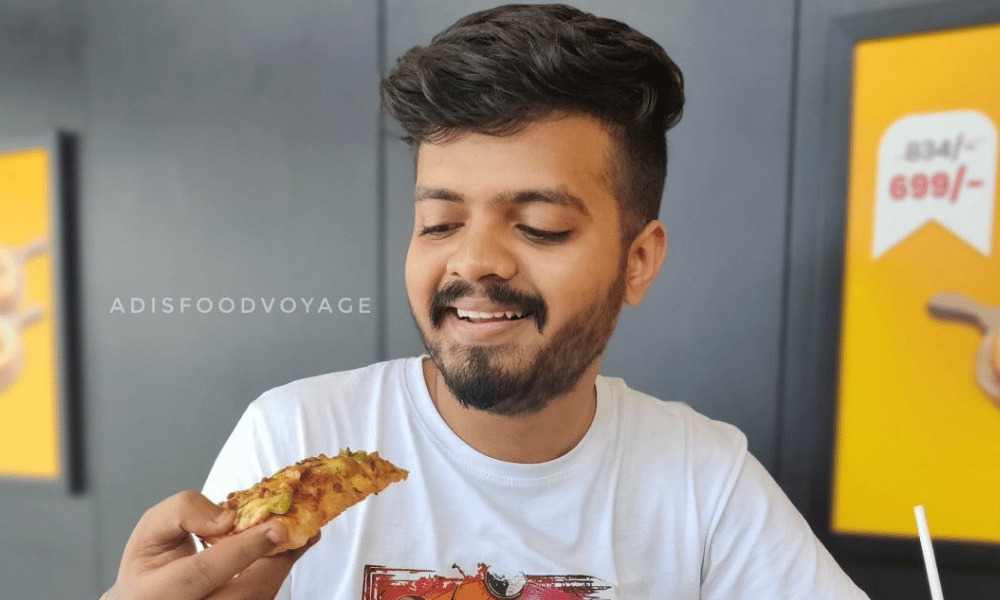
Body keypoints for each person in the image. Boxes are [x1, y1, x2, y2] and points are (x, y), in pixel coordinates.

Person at [106, 4, 870, 599]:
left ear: (637, 262)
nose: (472, 261)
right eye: (439, 223)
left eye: (539, 226)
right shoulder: (296, 436)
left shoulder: (702, 481)